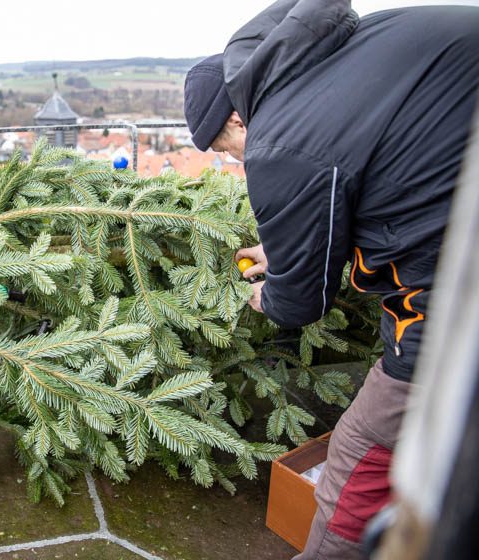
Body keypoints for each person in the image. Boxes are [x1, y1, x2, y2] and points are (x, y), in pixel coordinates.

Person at [183, 0, 479, 558]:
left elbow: (301, 303)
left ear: (238, 120)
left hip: (457, 295)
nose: (238, 164)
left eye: (228, 152)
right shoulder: (343, 57)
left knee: (360, 450)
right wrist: (287, 247)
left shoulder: (279, 141)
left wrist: (271, 292)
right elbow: (373, 167)